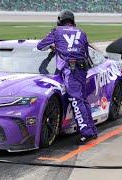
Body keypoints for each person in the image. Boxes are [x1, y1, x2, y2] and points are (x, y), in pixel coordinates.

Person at [37, 10, 97, 145]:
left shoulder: (57, 31)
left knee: (76, 101)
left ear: (60, 21)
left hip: (71, 70)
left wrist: (54, 46)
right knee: (83, 100)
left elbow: (40, 46)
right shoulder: (81, 32)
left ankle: (86, 133)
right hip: (82, 69)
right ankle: (91, 130)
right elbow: (86, 53)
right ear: (73, 21)